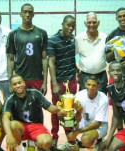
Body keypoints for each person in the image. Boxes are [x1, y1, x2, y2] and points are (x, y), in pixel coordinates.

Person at [2, 74, 65, 151]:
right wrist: (9, 135)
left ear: (24, 83)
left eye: (19, 83)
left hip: (36, 125)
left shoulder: (35, 93)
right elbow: (5, 117)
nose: (18, 86)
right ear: (11, 87)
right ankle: (17, 144)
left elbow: (50, 107)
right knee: (12, 125)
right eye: (15, 84)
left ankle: (35, 144)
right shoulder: (9, 99)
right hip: (20, 127)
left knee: (46, 142)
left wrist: (60, 109)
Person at [47, 15, 77, 149]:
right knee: (56, 110)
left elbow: (71, 59)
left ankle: (70, 137)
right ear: (62, 24)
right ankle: (54, 136)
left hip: (71, 80)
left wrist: (77, 72)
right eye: (68, 25)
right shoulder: (52, 40)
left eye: (73, 26)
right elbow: (51, 63)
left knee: (70, 110)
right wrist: (54, 84)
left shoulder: (72, 39)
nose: (70, 28)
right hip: (58, 81)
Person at [58, 75, 109, 151]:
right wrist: (79, 112)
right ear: (85, 84)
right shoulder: (79, 95)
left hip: (99, 126)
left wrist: (77, 132)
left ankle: (99, 141)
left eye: (93, 85)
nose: (90, 88)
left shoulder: (103, 98)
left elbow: (97, 123)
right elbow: (75, 119)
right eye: (88, 85)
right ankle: (72, 143)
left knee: (85, 140)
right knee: (62, 114)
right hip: (84, 123)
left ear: (98, 86)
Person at [7, 3, 48, 95]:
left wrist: (45, 82)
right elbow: (10, 59)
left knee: (36, 107)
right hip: (20, 78)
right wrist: (10, 81)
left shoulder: (42, 33)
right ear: (20, 14)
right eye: (25, 12)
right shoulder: (13, 35)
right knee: (20, 107)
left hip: (37, 77)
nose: (27, 14)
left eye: (30, 12)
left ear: (33, 14)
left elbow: (45, 58)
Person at [75, 12, 108, 94]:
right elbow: (71, 56)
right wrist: (76, 71)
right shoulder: (78, 38)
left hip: (101, 76)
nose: (92, 25)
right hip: (84, 76)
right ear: (85, 23)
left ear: (98, 23)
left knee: (101, 101)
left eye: (94, 22)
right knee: (83, 102)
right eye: (89, 22)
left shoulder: (105, 38)